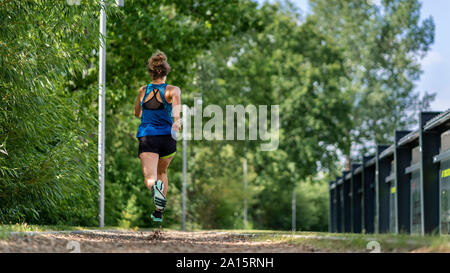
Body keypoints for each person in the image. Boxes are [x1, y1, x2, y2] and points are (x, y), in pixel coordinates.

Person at [134, 51, 181, 222]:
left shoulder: (142, 91)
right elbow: (176, 105)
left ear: (151, 73)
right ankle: (158, 212)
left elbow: (136, 113)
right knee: (162, 172)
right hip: (168, 139)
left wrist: (144, 108)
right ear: (166, 72)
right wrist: (176, 121)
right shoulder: (172, 90)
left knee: (150, 177)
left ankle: (156, 190)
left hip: (148, 137)